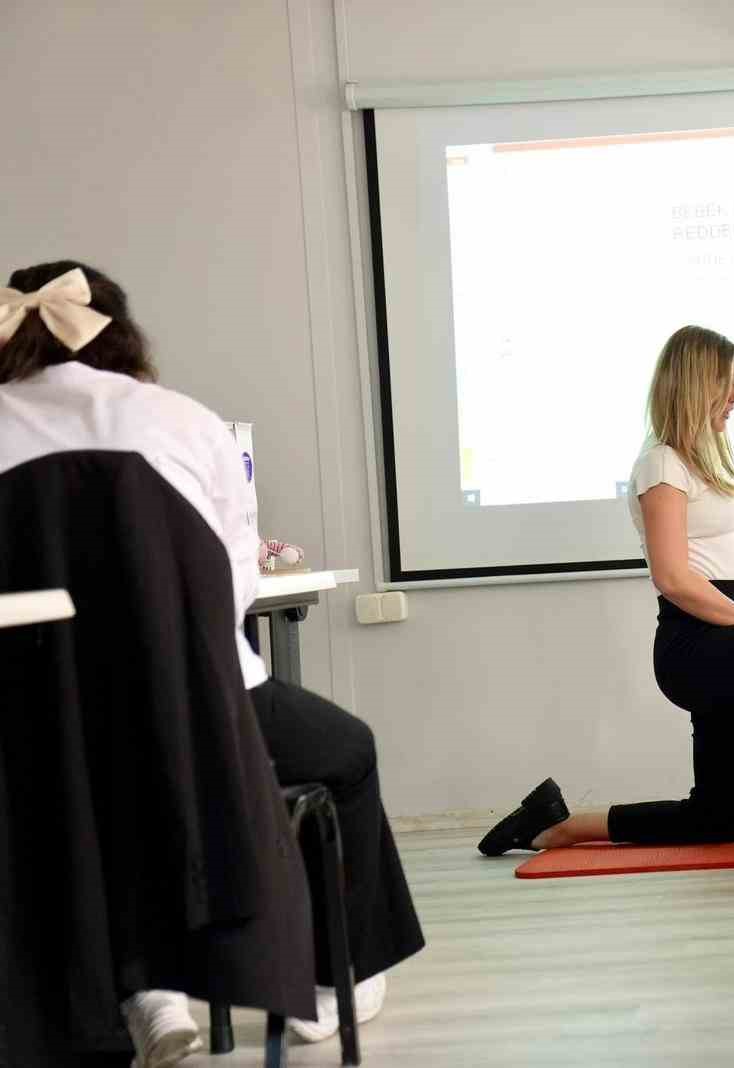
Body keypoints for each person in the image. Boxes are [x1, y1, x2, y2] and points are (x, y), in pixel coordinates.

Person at [0, 262, 425, 1066]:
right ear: (118, 330)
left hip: (29, 731)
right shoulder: (183, 423)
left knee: (80, 791)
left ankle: (139, 990)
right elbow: (229, 589)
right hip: (191, 714)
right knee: (346, 750)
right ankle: (327, 985)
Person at [479, 325, 734, 876]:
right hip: (695, 645)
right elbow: (675, 579)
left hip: (727, 631)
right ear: (698, 385)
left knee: (715, 820)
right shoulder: (661, 464)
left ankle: (557, 824)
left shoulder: (704, 462)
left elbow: (733, 569)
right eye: (728, 382)